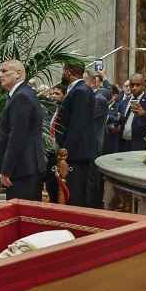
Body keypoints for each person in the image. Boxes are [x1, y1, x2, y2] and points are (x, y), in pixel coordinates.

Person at [0, 59, 46, 201]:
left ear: (18, 73)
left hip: (23, 169)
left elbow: (17, 136)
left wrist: (6, 170)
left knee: (24, 217)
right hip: (24, 168)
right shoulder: (20, 94)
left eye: (4, 71)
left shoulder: (22, 96)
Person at [54, 63, 98, 208]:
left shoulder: (80, 91)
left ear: (67, 73)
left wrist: (66, 150)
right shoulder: (78, 90)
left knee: (75, 196)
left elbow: (77, 125)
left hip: (77, 154)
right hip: (76, 153)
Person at [112, 74, 146, 152]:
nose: (134, 88)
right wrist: (115, 126)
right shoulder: (124, 102)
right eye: (132, 85)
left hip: (140, 146)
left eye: (138, 85)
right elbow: (120, 119)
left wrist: (144, 114)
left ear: (144, 85)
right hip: (122, 144)